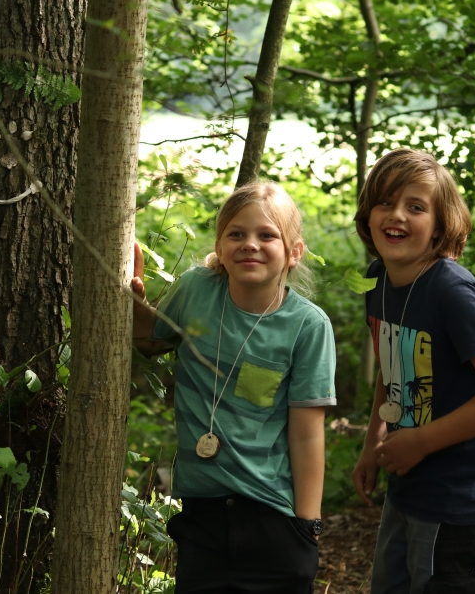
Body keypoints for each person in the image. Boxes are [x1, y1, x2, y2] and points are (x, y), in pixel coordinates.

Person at [131, 181, 336, 594]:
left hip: (272, 514)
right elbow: (153, 340)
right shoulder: (195, 291)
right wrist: (130, 294)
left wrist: (306, 529)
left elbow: (307, 433)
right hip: (202, 512)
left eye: (267, 235)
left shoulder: (307, 326)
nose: (250, 245)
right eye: (236, 234)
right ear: (220, 247)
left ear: (293, 253)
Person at [350, 149, 475, 594]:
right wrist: (374, 439)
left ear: (440, 225)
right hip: (409, 489)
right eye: (385, 202)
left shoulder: (453, 293)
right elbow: (393, 365)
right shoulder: (378, 280)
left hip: (461, 502)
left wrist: (420, 442)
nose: (397, 216)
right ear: (368, 215)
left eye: (416, 206)